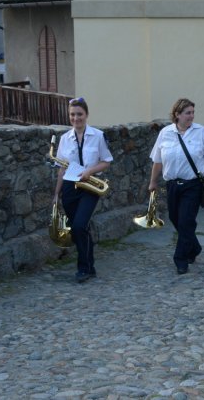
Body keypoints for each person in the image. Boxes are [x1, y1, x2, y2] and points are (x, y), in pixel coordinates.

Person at [148, 98, 204, 275]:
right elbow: (157, 161)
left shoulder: (202, 132)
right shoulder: (165, 133)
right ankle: (194, 247)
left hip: (193, 185)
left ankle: (180, 259)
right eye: (188, 113)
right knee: (175, 218)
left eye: (193, 112)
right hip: (172, 184)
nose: (191, 116)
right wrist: (153, 181)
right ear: (177, 115)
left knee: (186, 220)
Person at [53, 97, 113, 283]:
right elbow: (62, 169)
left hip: (90, 186)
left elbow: (106, 161)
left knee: (79, 226)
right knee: (78, 229)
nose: (76, 118)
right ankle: (90, 266)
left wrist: (90, 171)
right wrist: (56, 194)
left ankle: (83, 267)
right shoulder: (64, 139)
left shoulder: (98, 136)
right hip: (70, 188)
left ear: (86, 115)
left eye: (79, 114)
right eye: (72, 114)